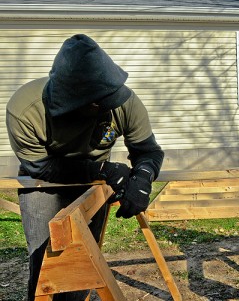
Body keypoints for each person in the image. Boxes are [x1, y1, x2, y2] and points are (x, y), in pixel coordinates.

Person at [6, 34, 164, 300]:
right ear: (78, 102)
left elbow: (147, 151)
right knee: (47, 257)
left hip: (92, 180)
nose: (107, 108)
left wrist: (143, 179)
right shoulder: (25, 110)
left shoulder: (122, 100)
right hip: (44, 184)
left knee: (83, 256)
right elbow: (41, 168)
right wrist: (102, 171)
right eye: (97, 105)